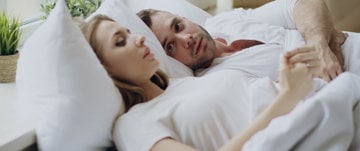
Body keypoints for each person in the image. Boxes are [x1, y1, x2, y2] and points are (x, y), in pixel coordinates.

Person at [81, 14, 319, 151]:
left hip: (313, 106)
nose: (140, 38)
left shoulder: (185, 82)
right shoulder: (133, 124)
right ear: (101, 68)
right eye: (120, 41)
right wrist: (287, 98)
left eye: (129, 32)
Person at [137, 0, 356, 82]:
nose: (187, 39)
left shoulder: (225, 21)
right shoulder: (219, 80)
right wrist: (328, 37)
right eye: (170, 46)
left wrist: (319, 44)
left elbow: (303, 4)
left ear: (185, 18)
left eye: (178, 26)